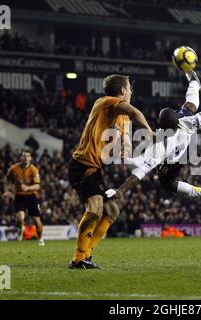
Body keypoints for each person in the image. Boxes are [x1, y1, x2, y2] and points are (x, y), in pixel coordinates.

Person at [106, 71, 201, 205]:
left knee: (166, 183)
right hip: (186, 144)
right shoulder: (186, 121)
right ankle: (194, 81)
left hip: (176, 155)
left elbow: (138, 174)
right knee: (189, 108)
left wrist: (120, 191)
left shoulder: (160, 147)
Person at [68, 74, 154, 269]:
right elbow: (134, 112)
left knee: (112, 210)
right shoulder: (106, 102)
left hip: (94, 166)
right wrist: (149, 131)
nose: (131, 92)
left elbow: (124, 148)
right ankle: (78, 258)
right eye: (129, 88)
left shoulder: (122, 118)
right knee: (95, 206)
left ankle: (86, 255)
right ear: (123, 91)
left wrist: (133, 157)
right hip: (82, 164)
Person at [3, 150, 44, 246]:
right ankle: (20, 228)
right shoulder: (14, 169)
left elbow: (37, 186)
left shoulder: (34, 170)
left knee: (37, 221)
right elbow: (7, 179)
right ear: (21, 158)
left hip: (31, 196)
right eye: (23, 156)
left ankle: (41, 238)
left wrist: (28, 188)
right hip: (19, 196)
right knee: (20, 218)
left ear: (30, 158)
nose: (25, 158)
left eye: (27, 156)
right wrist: (6, 190)